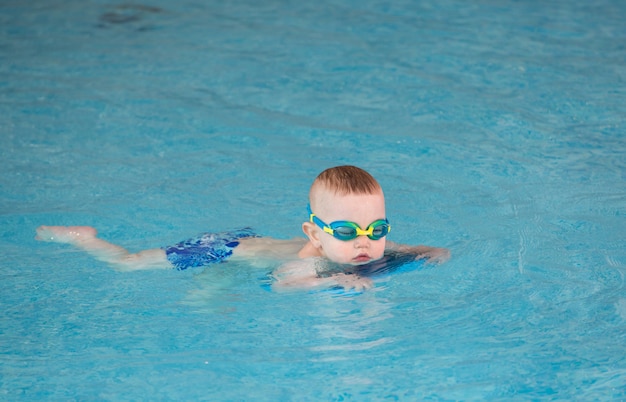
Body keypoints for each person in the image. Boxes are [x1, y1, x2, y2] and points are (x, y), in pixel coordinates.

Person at [36, 166, 449, 291]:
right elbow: (285, 283)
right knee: (129, 266)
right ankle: (82, 238)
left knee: (214, 294)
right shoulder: (311, 261)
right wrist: (334, 282)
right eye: (345, 232)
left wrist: (425, 251)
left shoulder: (368, 244)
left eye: (376, 229)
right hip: (227, 248)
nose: (365, 241)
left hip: (245, 253)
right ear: (314, 234)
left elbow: (403, 247)